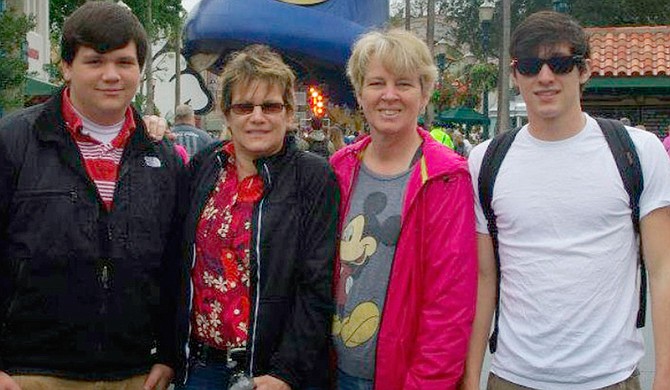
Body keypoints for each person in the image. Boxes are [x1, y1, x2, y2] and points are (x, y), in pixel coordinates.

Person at [464, 11, 670, 390]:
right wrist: (470, 377)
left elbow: (662, 270)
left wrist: (666, 376)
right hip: (512, 375)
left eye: (560, 63)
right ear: (514, 75)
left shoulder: (637, 152)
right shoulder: (485, 161)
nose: (545, 77)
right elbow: (484, 276)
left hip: (610, 377)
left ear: (585, 70)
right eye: (529, 65)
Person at [0, 2, 182, 389]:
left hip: (135, 374)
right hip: (31, 373)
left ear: (140, 68)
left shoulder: (163, 156)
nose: (111, 75)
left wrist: (168, 354)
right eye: (95, 61)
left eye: (124, 61)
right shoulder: (13, 141)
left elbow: (174, 266)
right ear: (66, 67)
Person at [174, 44, 339, 390]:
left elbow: (316, 286)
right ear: (228, 113)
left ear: (289, 113)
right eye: (245, 106)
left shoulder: (312, 177)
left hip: (272, 372)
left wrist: (285, 372)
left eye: (271, 106)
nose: (257, 116)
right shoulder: (204, 167)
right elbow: (174, 264)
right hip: (201, 368)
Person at [330, 29, 477, 389]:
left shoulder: (446, 178)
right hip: (330, 371)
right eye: (377, 82)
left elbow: (450, 303)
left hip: (404, 377)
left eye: (405, 84)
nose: (389, 95)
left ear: (424, 95)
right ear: (360, 93)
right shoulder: (339, 168)